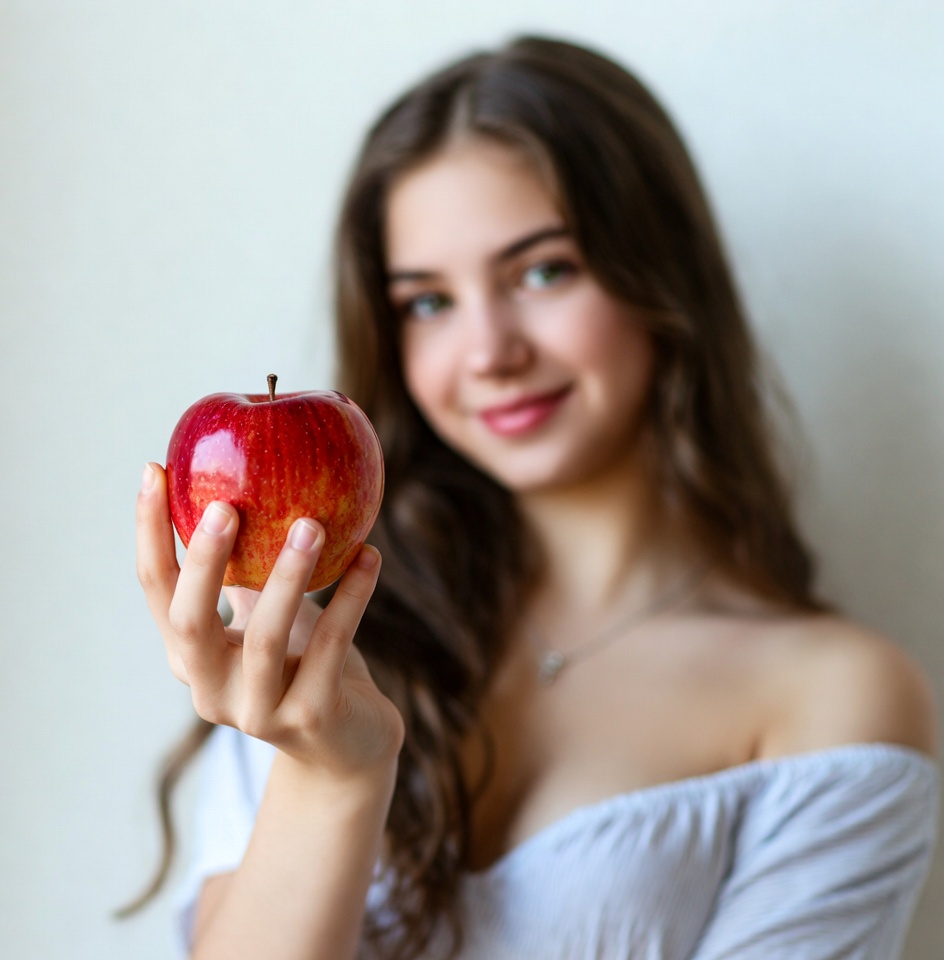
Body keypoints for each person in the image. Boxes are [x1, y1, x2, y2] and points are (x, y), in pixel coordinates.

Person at [134, 35, 938, 960]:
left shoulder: (834, 694)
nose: (488, 352)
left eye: (543, 271)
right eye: (428, 302)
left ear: (661, 278)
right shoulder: (314, 646)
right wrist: (337, 779)